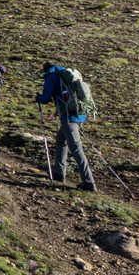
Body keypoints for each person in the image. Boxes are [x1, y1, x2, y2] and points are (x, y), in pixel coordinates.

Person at [36, 62, 97, 191]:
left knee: (76, 148)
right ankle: (59, 173)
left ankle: (89, 182)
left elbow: (46, 98)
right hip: (81, 115)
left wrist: (38, 98)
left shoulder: (52, 77)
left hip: (69, 117)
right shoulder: (68, 74)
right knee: (61, 141)